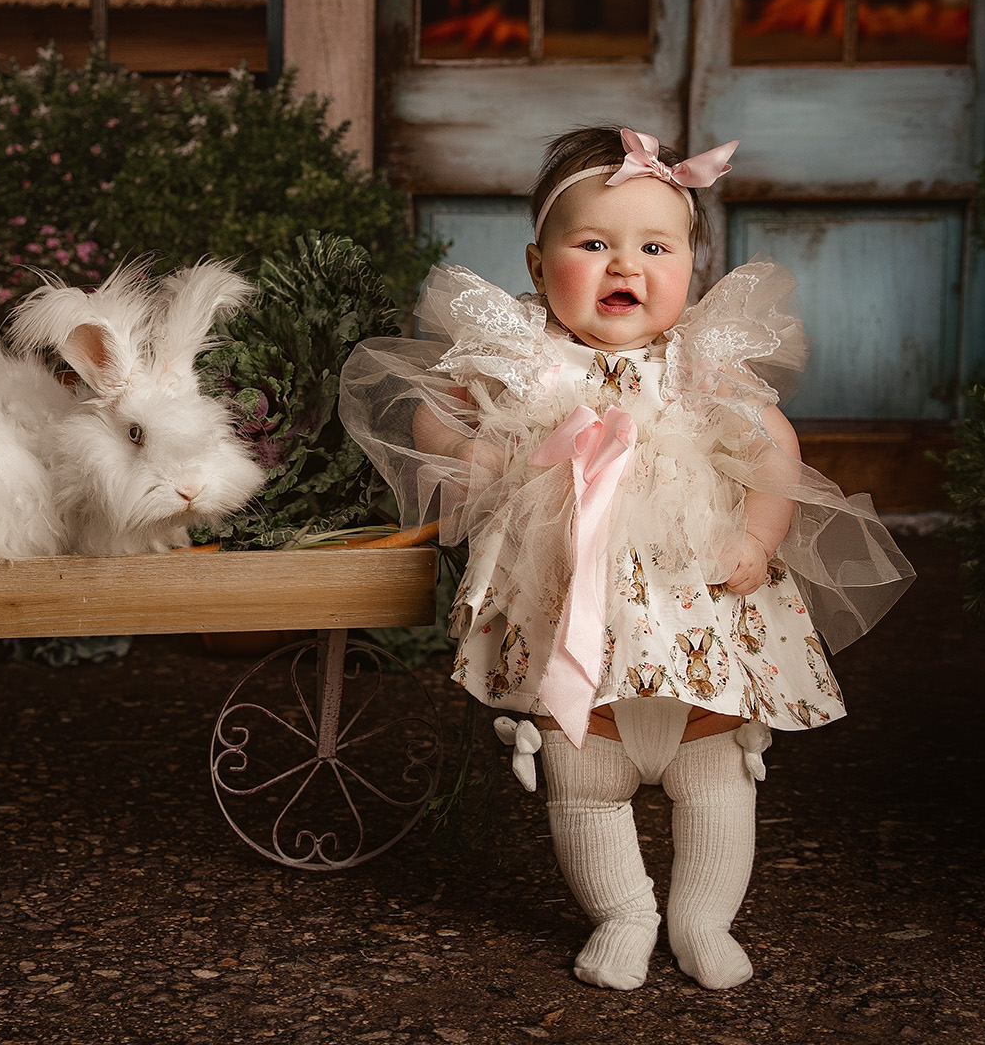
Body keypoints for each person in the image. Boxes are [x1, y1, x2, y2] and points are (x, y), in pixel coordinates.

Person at [339, 125, 913, 991]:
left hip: (695, 616)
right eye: (593, 245)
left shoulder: (700, 366)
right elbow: (451, 431)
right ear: (538, 267)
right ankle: (625, 912)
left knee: (715, 770)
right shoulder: (526, 361)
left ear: (691, 266)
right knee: (582, 769)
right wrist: (476, 454)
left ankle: (702, 921)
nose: (624, 267)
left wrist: (758, 538)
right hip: (575, 609)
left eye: (654, 246)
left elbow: (771, 449)